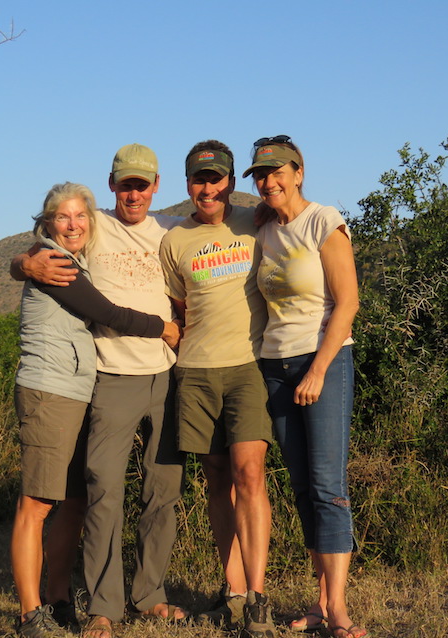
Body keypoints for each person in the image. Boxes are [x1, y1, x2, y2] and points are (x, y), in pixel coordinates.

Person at [11, 144, 187, 638]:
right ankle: (103, 606)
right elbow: (38, 245)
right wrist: (23, 264)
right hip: (110, 377)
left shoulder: (173, 230)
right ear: (112, 186)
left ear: (156, 186)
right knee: (102, 492)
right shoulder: (94, 224)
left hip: (166, 376)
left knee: (162, 491)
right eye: (126, 184)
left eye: (143, 184)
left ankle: (150, 594)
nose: (134, 193)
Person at [243, 136, 366, 638]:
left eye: (277, 172)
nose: (268, 181)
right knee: (300, 489)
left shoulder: (324, 220)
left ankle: (337, 610)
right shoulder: (267, 229)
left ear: (298, 171)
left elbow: (349, 302)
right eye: (260, 175)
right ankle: (318, 603)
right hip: (274, 365)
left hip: (325, 362)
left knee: (328, 487)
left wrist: (317, 368)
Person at [159, 140, 276, 638]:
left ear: (231, 181)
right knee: (216, 481)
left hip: (248, 366)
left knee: (251, 474)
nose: (208, 188)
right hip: (197, 371)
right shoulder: (174, 241)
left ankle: (258, 597)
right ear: (188, 183)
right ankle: (230, 593)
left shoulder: (256, 221)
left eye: (216, 179)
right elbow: (179, 307)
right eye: (198, 179)